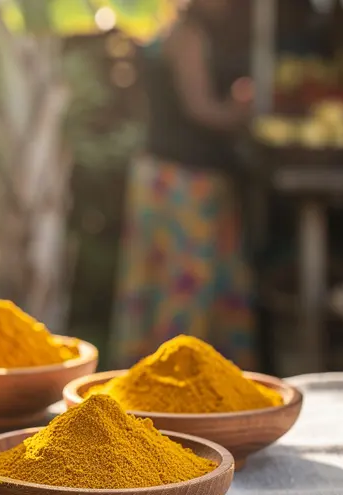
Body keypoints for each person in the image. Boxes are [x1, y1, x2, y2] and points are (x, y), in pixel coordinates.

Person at [109, 0, 257, 369]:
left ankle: (156, 375)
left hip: (158, 176)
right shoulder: (187, 34)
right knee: (185, 288)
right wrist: (241, 109)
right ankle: (179, 376)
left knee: (158, 284)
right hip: (186, 183)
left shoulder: (152, 28)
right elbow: (201, 107)